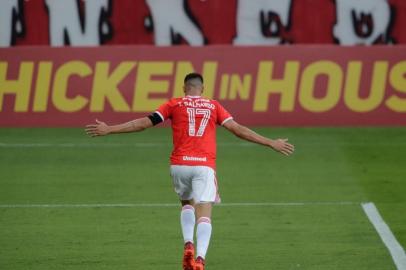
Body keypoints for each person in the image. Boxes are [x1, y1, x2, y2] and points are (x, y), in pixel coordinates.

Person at [85, 73, 294, 270]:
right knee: (205, 212)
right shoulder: (213, 105)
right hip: (203, 166)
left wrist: (110, 129)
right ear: (202, 88)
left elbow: (143, 123)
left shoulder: (174, 104)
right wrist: (270, 142)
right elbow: (238, 129)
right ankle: (200, 260)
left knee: (187, 204)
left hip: (179, 166)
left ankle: (187, 244)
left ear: (184, 88)